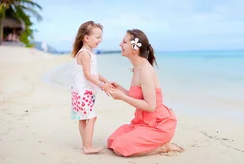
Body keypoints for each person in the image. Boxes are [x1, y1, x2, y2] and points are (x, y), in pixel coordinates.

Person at [106, 29, 182, 157]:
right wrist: (120, 89)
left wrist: (123, 98)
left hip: (157, 125)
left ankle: (163, 146)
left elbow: (150, 106)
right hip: (142, 122)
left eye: (124, 42)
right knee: (112, 141)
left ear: (135, 48)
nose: (120, 44)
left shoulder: (145, 71)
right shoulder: (137, 68)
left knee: (120, 148)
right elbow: (135, 96)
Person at [70, 21, 111, 154]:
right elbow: (87, 74)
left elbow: (92, 72)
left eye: (100, 37)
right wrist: (101, 85)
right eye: (97, 37)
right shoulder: (84, 54)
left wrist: (103, 79)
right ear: (86, 38)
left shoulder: (88, 53)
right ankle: (88, 146)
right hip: (83, 93)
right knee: (92, 117)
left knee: (83, 119)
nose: (100, 40)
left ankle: (85, 144)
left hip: (82, 92)